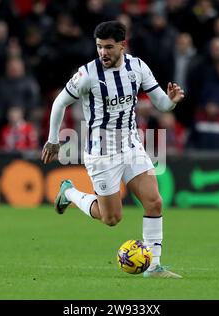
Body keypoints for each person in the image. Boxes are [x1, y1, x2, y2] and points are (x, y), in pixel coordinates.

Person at [41, 21, 184, 278]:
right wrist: (53, 140)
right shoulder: (87, 74)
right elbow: (59, 103)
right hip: (101, 153)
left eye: (108, 47)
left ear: (122, 45)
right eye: (99, 47)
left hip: (131, 145)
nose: (103, 53)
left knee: (154, 202)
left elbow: (161, 104)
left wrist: (171, 102)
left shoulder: (137, 67)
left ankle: (153, 267)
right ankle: (70, 192)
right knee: (111, 219)